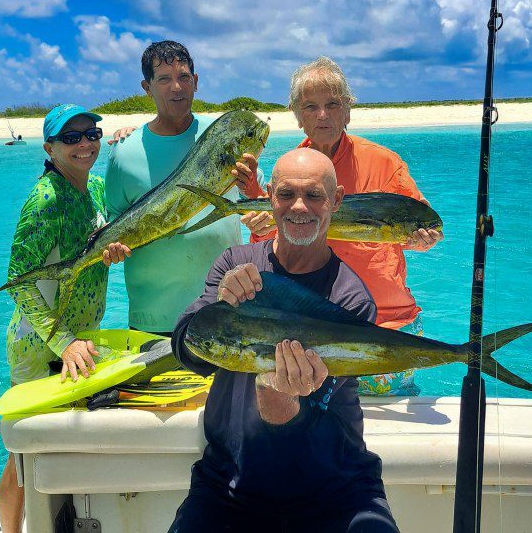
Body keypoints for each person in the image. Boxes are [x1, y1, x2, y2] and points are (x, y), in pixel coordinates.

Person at [169, 149, 399, 533]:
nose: (299, 207)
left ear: (336, 201)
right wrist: (217, 304)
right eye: (286, 194)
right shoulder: (235, 264)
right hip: (229, 485)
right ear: (269, 196)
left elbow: (304, 434)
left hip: (337, 488)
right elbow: (187, 351)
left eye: (314, 196)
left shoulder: (350, 299)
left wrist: (277, 394)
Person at [236, 56, 443, 397]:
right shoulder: (291, 167)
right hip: (313, 330)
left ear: (348, 110)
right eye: (311, 106)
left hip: (385, 324)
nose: (323, 115)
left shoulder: (385, 162)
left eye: (333, 104)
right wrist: (258, 220)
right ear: (297, 114)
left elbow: (417, 227)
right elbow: (275, 246)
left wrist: (423, 241)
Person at [0, 104, 130, 533]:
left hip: (80, 340)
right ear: (49, 148)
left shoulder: (93, 186)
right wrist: (63, 340)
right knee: (24, 451)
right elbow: (19, 282)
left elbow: (109, 240)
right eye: (70, 138)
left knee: (61, 442)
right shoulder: (44, 201)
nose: (84, 144)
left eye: (91, 134)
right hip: (42, 344)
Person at [105, 41, 258, 335]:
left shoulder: (224, 138)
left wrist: (255, 200)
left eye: (184, 77)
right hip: (152, 321)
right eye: (163, 79)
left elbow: (256, 201)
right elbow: (115, 219)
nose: (176, 87)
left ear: (196, 82)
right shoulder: (124, 152)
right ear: (147, 87)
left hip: (226, 310)